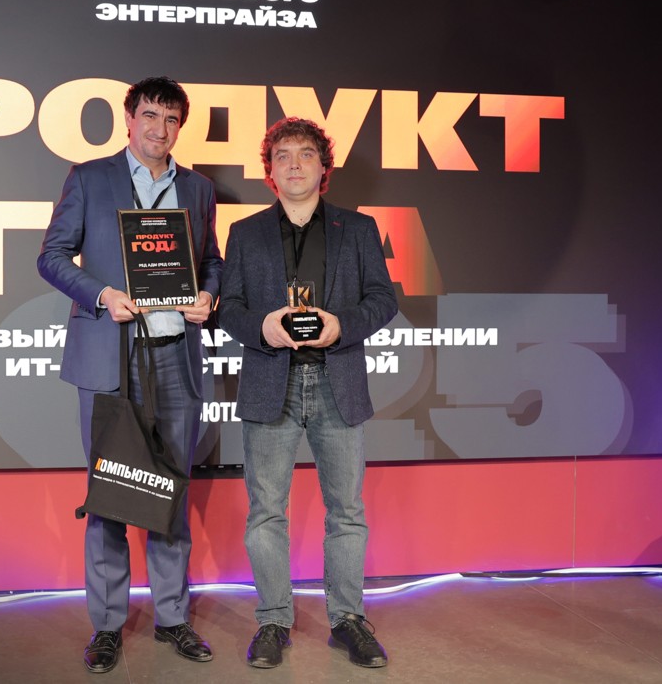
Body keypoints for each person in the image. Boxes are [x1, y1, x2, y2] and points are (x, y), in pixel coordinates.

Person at [38, 76, 222, 674]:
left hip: (174, 356)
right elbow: (51, 256)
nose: (158, 129)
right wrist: (101, 295)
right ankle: (108, 626)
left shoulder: (198, 188)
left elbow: (212, 262)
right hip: (110, 358)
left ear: (179, 128)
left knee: (171, 490)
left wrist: (209, 295)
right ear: (129, 118)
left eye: (170, 119)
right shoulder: (90, 178)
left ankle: (172, 617)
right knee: (110, 494)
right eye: (149, 115)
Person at [218, 117, 397, 669]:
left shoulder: (358, 228)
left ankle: (348, 620)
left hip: (337, 382)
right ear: (270, 172)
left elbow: (383, 299)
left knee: (346, 511)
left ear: (324, 167)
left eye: (305, 154)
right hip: (270, 383)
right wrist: (262, 328)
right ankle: (273, 621)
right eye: (283, 155)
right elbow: (228, 309)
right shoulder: (245, 233)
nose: (294, 164)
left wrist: (342, 325)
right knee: (265, 512)